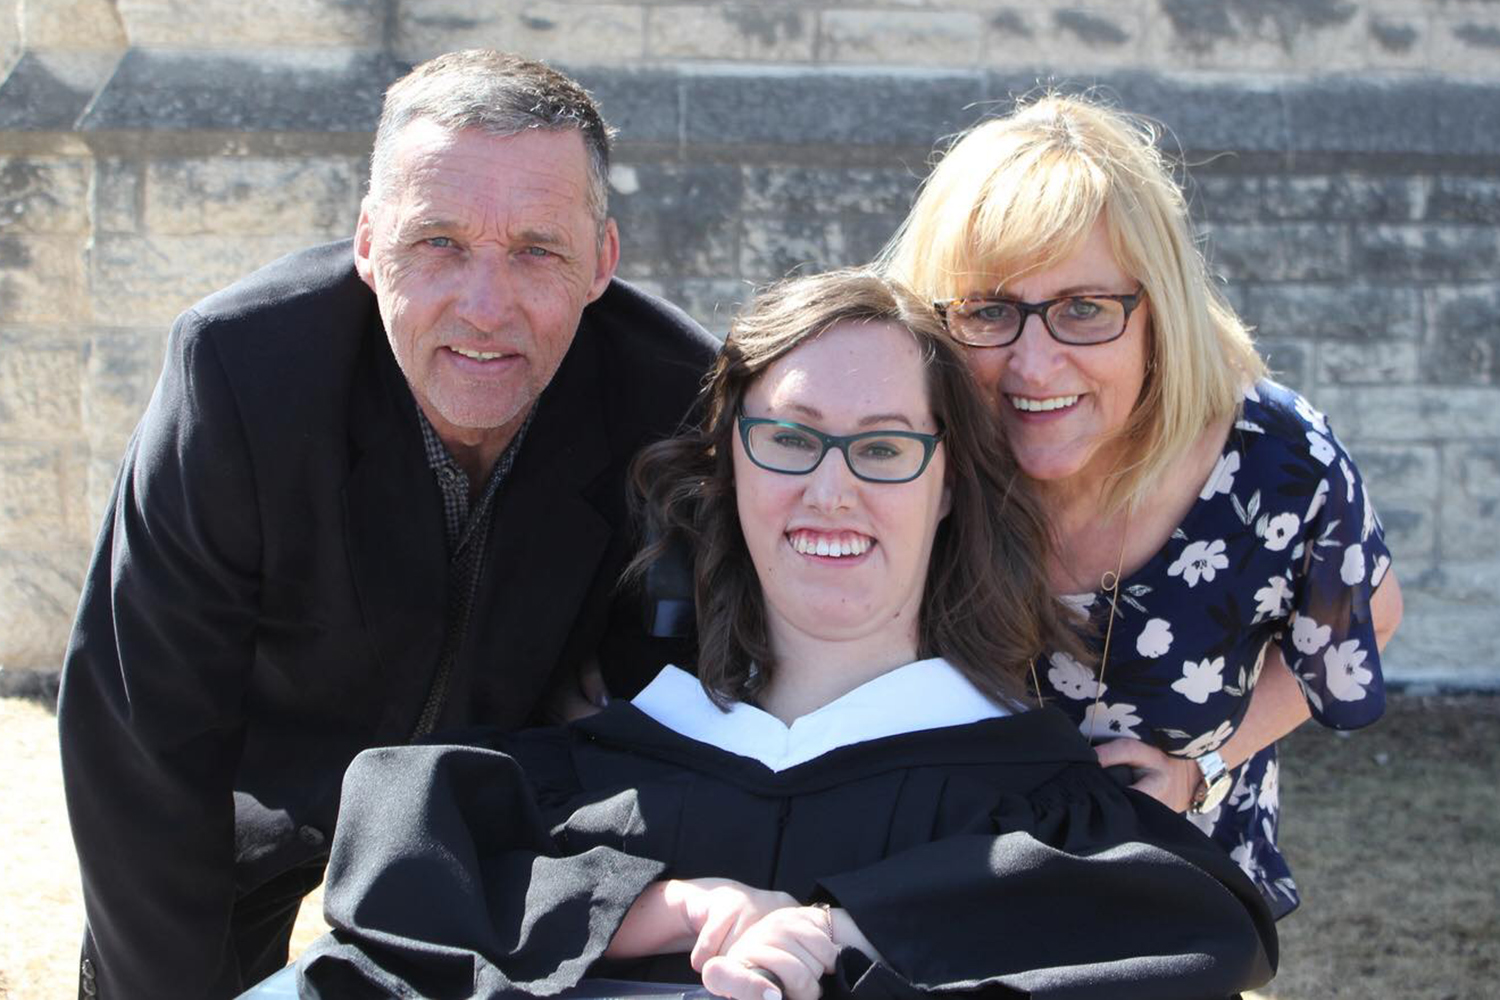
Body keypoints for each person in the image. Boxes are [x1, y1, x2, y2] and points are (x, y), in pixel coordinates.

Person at [293, 270, 1278, 1000]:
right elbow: (383, 901)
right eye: (790, 438)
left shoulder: (1050, 824)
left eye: (886, 446)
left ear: (947, 488)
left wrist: (841, 930)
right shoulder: (583, 780)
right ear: (728, 468)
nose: (832, 486)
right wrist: (674, 911)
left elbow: (1205, 940)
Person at [57, 50, 717, 999]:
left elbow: (666, 715)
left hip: (500, 804)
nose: (484, 308)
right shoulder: (241, 374)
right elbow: (142, 734)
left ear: (602, 262)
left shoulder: (673, 403)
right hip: (257, 780)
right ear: (368, 243)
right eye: (437, 242)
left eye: (537, 250)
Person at [880, 94, 1403, 917]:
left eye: (1084, 309)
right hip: (941, 898)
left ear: (1157, 313)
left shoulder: (1278, 465)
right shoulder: (904, 449)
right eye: (988, 310)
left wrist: (1210, 766)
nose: (1034, 366)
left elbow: (1366, 614)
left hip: (1180, 903)